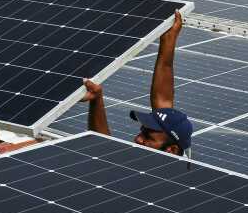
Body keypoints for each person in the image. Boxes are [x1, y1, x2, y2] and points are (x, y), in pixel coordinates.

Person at [82, 10, 193, 156]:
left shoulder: (148, 176)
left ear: (171, 150)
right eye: (142, 132)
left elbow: (104, 152)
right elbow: (163, 99)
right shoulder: (172, 150)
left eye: (148, 137)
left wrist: (97, 101)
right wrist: (169, 39)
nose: (137, 139)